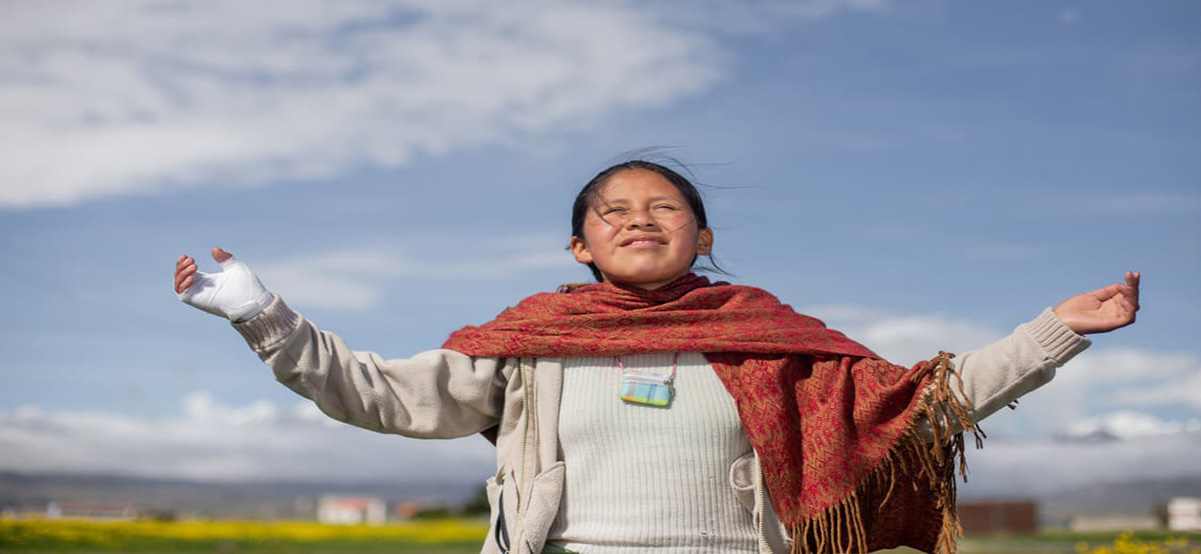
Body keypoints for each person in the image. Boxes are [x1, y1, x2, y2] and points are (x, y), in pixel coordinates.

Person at [174, 159, 1140, 554]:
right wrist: (262, 314)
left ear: (703, 232)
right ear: (580, 248)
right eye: (613, 212)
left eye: (662, 207)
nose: (639, 220)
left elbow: (929, 403)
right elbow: (374, 394)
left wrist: (1055, 328)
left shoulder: (777, 341)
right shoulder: (527, 348)